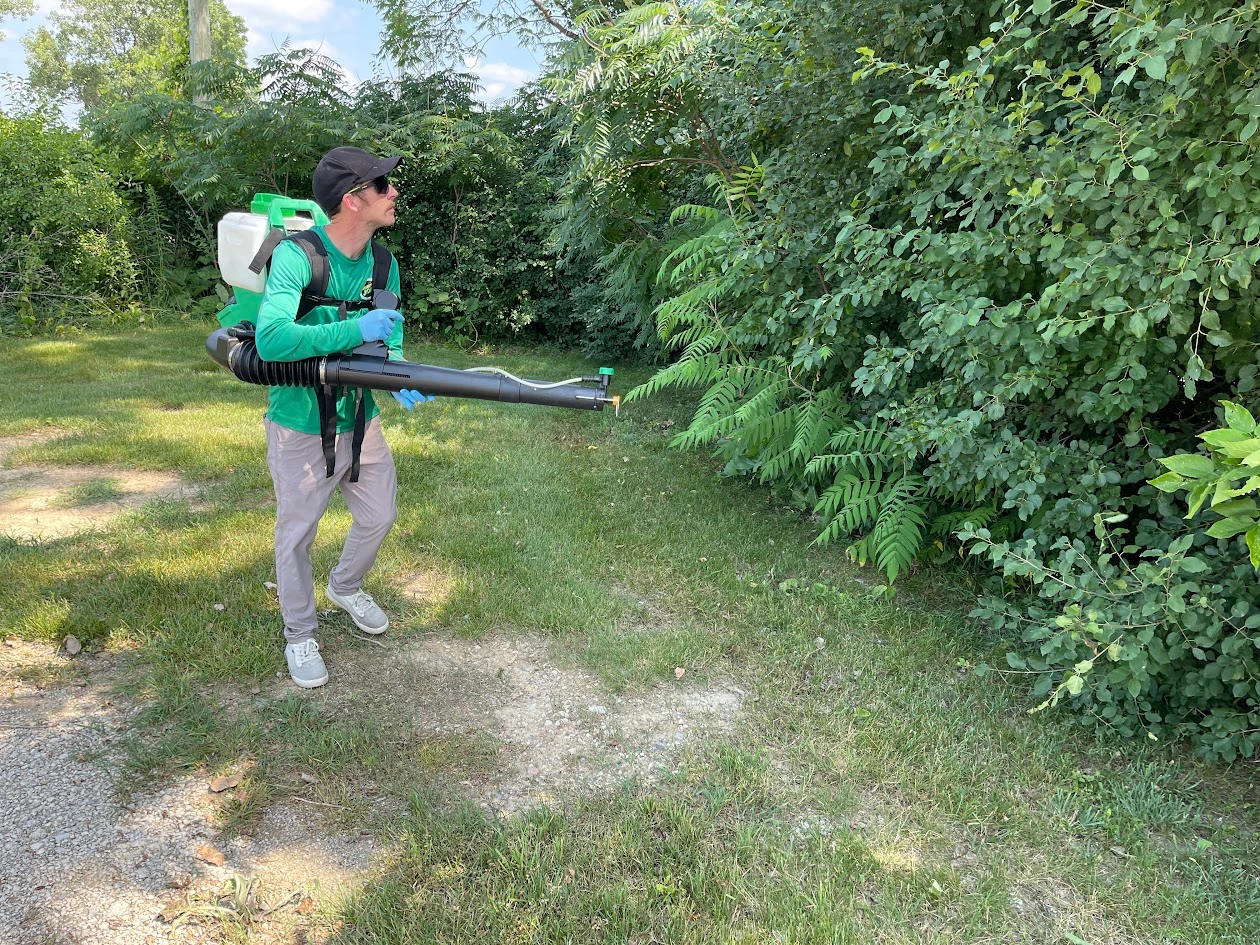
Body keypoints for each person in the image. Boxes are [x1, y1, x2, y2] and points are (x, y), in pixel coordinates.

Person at [254, 145, 432, 689]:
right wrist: (356, 331)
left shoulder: (383, 259)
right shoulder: (295, 257)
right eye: (383, 186)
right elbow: (272, 338)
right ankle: (300, 633)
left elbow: (390, 325)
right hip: (300, 422)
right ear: (353, 201)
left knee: (379, 514)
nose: (394, 192)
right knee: (297, 534)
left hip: (362, 416)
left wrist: (395, 371)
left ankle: (346, 586)